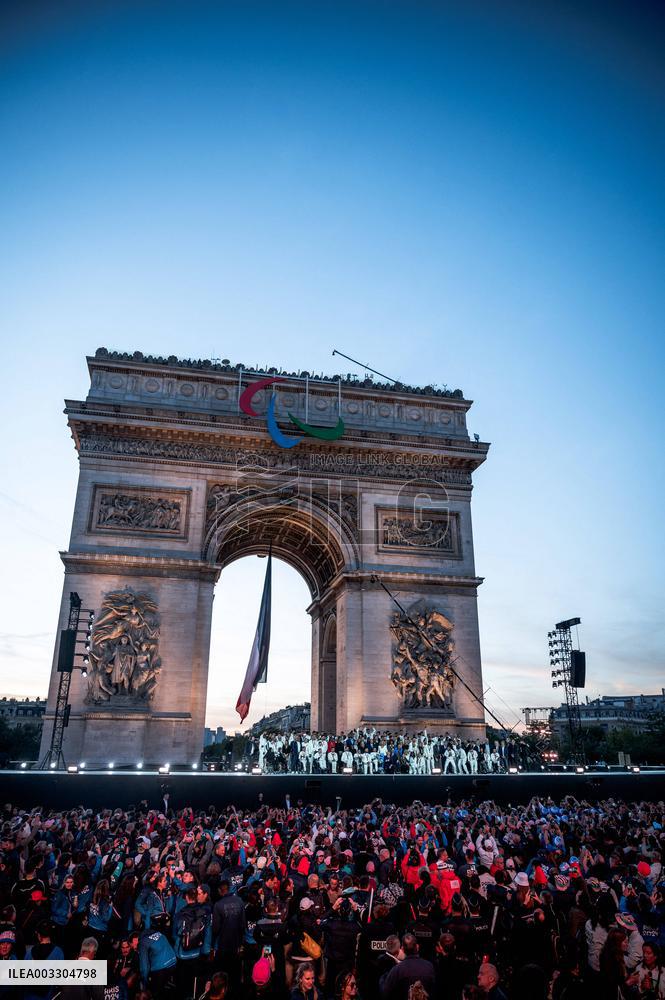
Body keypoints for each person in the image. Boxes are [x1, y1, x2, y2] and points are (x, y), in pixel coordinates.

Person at [380, 933, 435, 1000]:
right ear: (417, 947)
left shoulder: (397, 969)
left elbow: (386, 993)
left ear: (402, 949)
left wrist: (383, 978)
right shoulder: (429, 966)